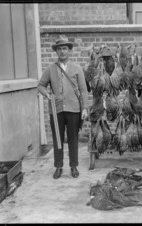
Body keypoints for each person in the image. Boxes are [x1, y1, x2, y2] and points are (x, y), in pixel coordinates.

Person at [38, 35, 89, 179]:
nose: (62, 51)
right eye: (59, 49)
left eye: (65, 48)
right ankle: (58, 167)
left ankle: (73, 166)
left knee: (73, 139)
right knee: (57, 139)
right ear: (56, 51)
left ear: (69, 51)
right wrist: (47, 94)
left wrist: (84, 108)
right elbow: (41, 85)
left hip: (74, 110)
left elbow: (84, 91)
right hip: (56, 110)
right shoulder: (50, 69)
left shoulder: (77, 69)